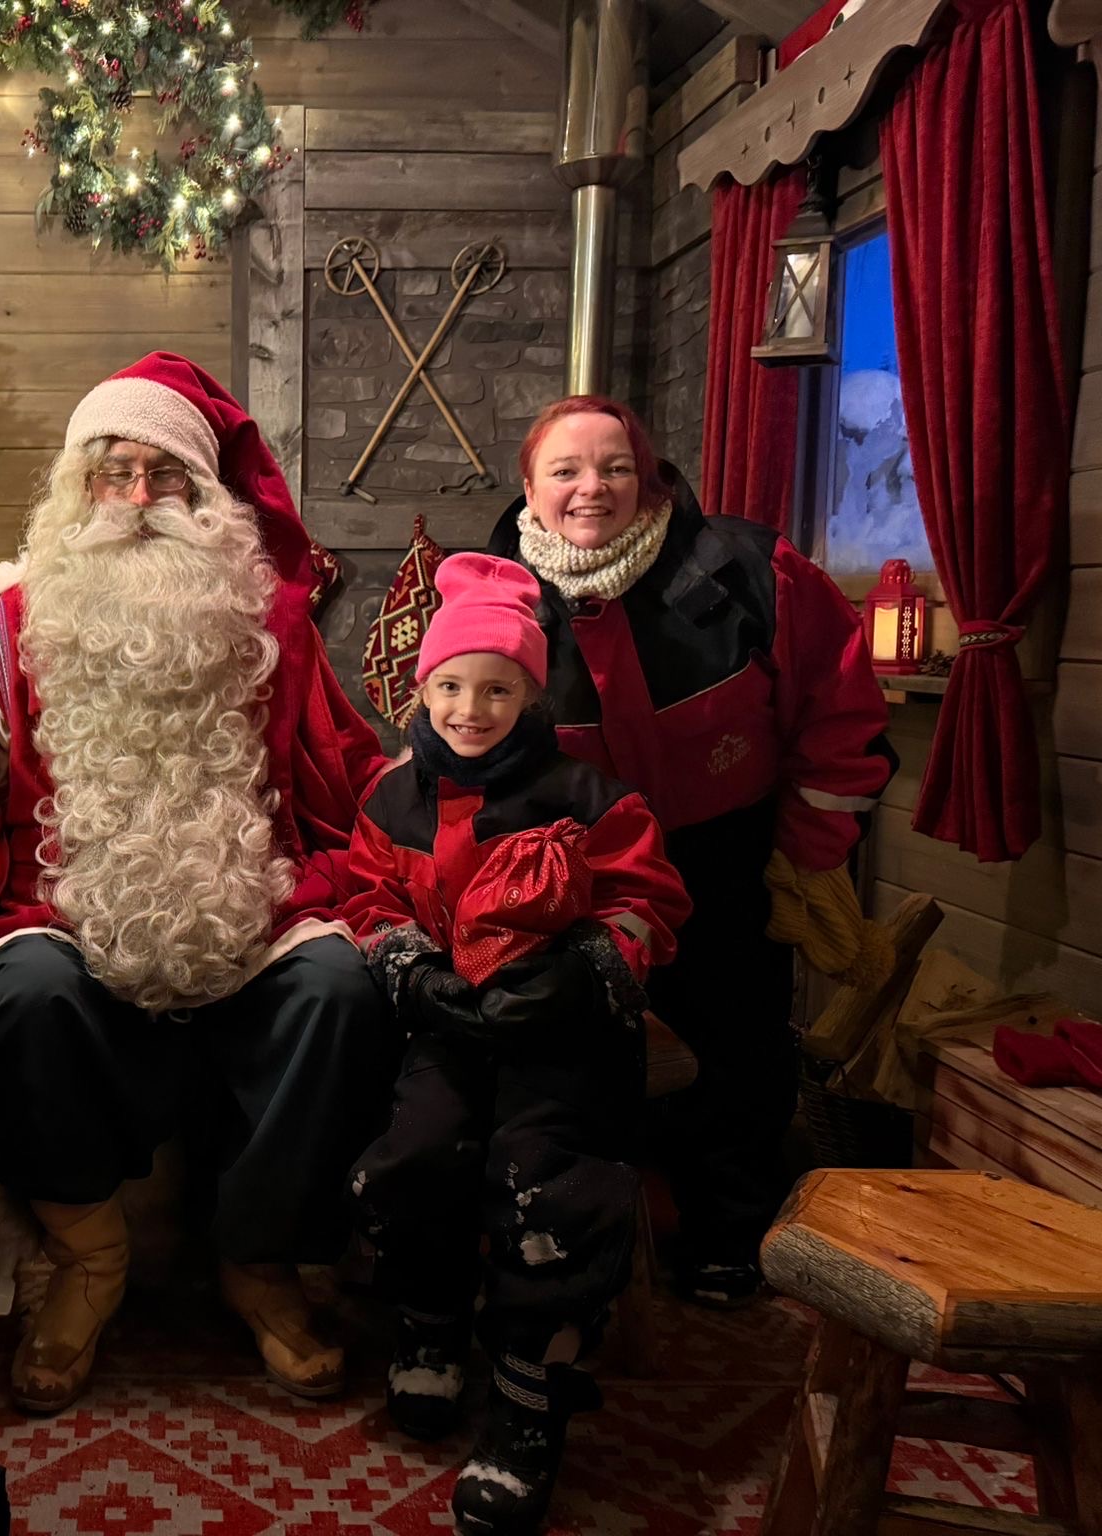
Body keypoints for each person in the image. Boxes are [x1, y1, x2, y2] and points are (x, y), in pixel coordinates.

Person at [0, 353, 394, 1413]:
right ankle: (87, 1257)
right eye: (115, 473)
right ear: (77, 488)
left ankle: (256, 1257)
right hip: (53, 909)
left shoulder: (261, 621)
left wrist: (468, 790)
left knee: (338, 992)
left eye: (165, 476)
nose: (139, 500)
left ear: (204, 497)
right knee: (17, 1002)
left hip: (251, 908)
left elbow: (346, 771)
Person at [484, 396, 893, 1308]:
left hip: (724, 853)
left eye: (616, 467)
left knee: (737, 1044)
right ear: (528, 488)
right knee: (572, 1052)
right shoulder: (490, 587)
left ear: (653, 476)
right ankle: (568, 1240)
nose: (592, 488)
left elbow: (838, 710)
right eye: (566, 471)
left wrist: (809, 853)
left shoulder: (754, 569)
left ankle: (726, 1233)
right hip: (569, 869)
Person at [343, 552, 689, 1536]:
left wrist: (587, 967)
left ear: (531, 694)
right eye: (449, 686)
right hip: (450, 1030)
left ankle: (528, 1403)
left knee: (542, 1178)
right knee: (414, 1156)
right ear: (421, 690)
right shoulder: (391, 799)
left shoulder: (587, 796)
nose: (468, 708)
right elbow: (363, 898)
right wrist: (414, 969)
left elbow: (646, 900)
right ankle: (429, 1322)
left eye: (496, 688)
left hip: (560, 1038)